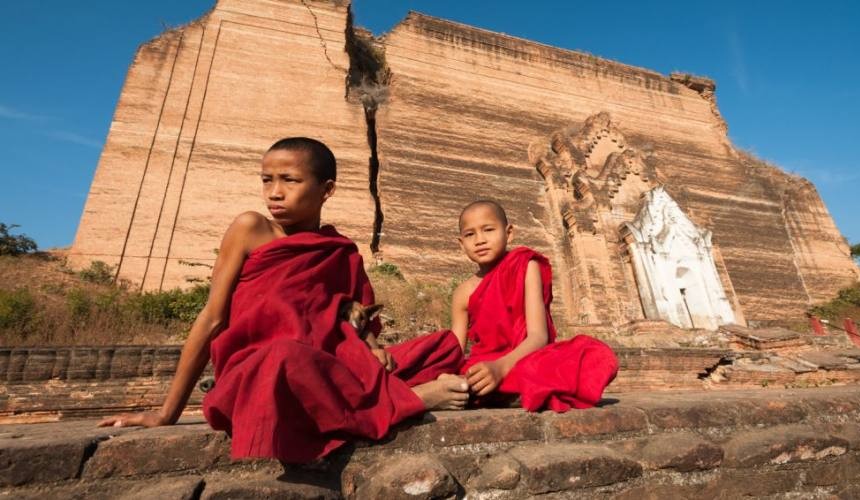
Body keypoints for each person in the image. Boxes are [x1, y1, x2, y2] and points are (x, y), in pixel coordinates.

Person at [99, 137, 469, 463]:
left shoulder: (340, 251)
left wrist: (372, 347)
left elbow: (352, 315)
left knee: (442, 347)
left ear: (327, 190)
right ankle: (414, 400)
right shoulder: (251, 229)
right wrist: (167, 413)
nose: (274, 192)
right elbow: (212, 318)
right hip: (261, 370)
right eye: (267, 179)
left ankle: (382, 392)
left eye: (290, 180)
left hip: (327, 363)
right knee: (285, 357)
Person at [450, 200, 619, 412]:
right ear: (460, 243)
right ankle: (519, 392)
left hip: (525, 358)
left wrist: (501, 367)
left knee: (594, 355)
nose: (480, 240)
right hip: (484, 365)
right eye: (470, 234)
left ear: (509, 233)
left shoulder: (525, 265)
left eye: (488, 230)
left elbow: (538, 336)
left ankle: (503, 392)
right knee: (457, 375)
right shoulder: (462, 293)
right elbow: (453, 351)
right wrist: (454, 373)